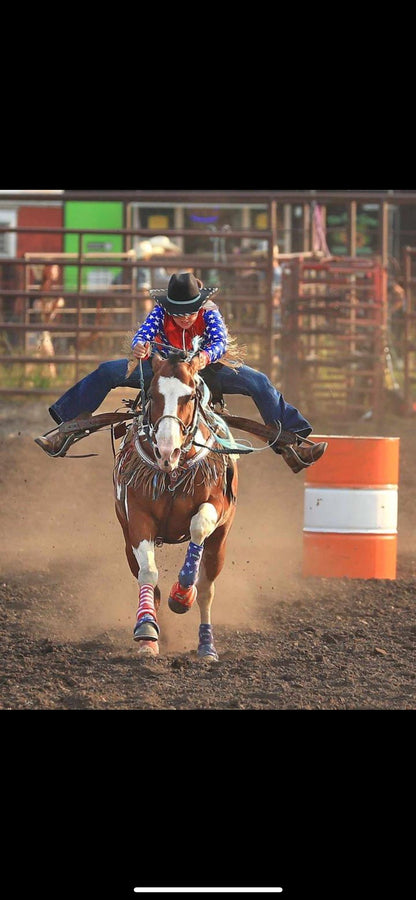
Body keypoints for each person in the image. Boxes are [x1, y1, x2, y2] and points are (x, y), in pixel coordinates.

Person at [34, 272, 327, 472]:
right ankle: (68, 428)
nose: (185, 317)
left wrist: (203, 357)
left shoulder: (210, 312)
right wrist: (139, 348)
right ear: (168, 306)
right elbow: (144, 334)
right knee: (106, 372)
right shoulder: (159, 312)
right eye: (178, 311)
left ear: (200, 305)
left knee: (259, 382)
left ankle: (291, 441)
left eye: (190, 311)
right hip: (162, 369)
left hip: (206, 369)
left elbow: (220, 342)